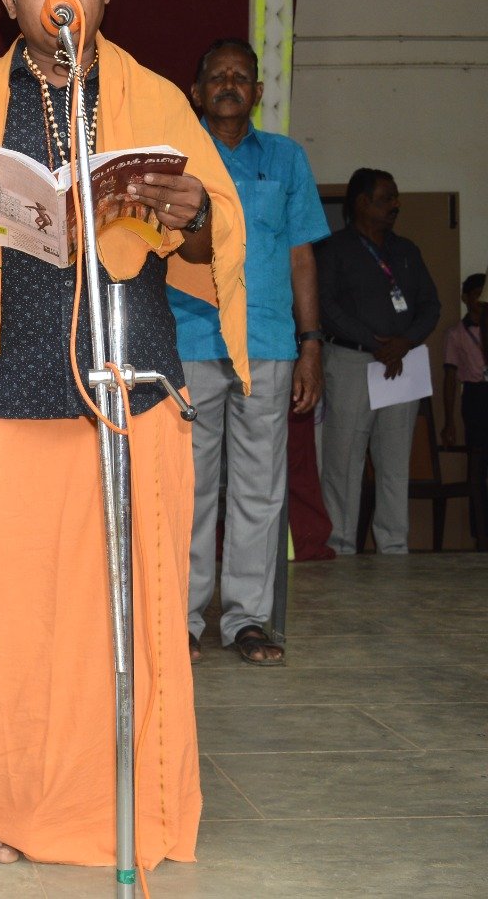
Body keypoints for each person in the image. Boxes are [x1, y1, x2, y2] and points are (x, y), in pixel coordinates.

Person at [0, 0, 249, 868]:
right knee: (15, 622)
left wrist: (192, 211)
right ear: (10, 2)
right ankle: (17, 808)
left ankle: (146, 808)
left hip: (131, 387)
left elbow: (213, 237)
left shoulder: (153, 97)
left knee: (137, 615)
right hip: (3, 391)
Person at [169, 39, 330, 666]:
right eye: (218, 76)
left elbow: (301, 255)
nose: (230, 84)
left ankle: (247, 621)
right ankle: (181, 620)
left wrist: (311, 344)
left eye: (242, 76)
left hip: (266, 342)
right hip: (192, 339)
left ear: (258, 92)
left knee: (260, 489)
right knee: (191, 488)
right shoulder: (175, 159)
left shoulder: (286, 159)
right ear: (196, 90)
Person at [316, 168, 440, 555]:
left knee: (395, 461)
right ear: (361, 203)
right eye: (387, 198)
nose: (396, 205)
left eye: (396, 198)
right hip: (351, 361)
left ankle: (394, 547)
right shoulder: (334, 249)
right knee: (343, 460)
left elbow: (431, 305)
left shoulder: (407, 251)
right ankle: (340, 547)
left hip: (402, 364)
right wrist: (374, 342)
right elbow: (325, 306)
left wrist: (406, 341)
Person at [441, 273, 487, 548]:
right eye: (475, 295)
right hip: (476, 398)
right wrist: (449, 421)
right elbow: (450, 378)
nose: (480, 301)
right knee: (477, 469)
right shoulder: (456, 333)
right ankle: (481, 535)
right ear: (465, 298)